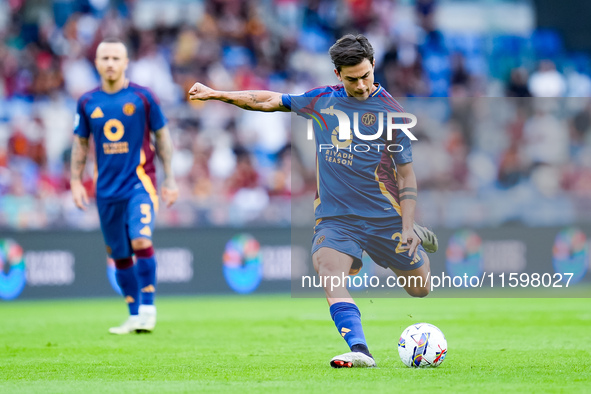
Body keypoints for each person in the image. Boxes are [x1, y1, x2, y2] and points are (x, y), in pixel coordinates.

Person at [188, 34, 436, 367]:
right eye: (352, 79)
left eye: (366, 75)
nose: (361, 85)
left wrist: (407, 225)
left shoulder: (392, 113)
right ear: (337, 74)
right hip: (336, 219)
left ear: (374, 66)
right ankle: (360, 350)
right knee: (328, 270)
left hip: (383, 217)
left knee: (420, 289)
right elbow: (266, 100)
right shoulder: (321, 101)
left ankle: (415, 233)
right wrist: (218, 94)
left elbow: (406, 175)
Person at [71, 37, 178, 334]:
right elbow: (80, 143)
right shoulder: (87, 101)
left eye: (116, 58)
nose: (110, 63)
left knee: (141, 239)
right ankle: (134, 315)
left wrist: (170, 178)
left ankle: (148, 308)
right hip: (105, 190)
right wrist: (75, 181)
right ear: (96, 63)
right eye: (104, 58)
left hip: (139, 183)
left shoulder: (143, 98)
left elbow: (163, 138)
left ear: (126, 62)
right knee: (119, 254)